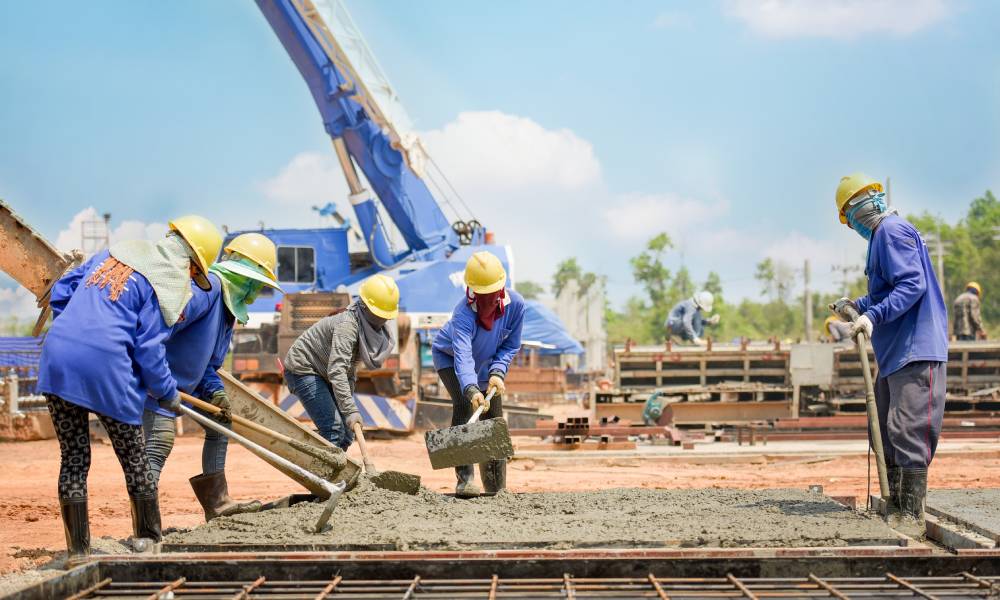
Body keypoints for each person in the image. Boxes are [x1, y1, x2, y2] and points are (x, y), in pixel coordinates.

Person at [38, 215, 222, 557]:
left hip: (57, 356)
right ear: (189, 262)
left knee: (74, 458)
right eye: (194, 274)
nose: (190, 280)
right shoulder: (156, 283)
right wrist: (167, 393)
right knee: (135, 458)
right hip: (106, 368)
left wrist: (79, 330)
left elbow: (62, 292)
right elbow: (149, 350)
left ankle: (77, 552)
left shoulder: (109, 255)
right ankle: (149, 540)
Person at [833, 173, 948, 534]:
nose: (852, 225)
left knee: (906, 428)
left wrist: (872, 315)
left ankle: (910, 514)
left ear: (856, 210)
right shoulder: (882, 239)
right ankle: (896, 505)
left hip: (915, 347)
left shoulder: (892, 231)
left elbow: (913, 284)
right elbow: (887, 291)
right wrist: (859, 305)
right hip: (895, 350)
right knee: (884, 429)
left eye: (849, 217)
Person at [142, 233, 281, 521]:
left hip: (183, 387)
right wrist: (160, 384)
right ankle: (145, 524)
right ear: (246, 277)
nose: (256, 294)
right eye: (256, 284)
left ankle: (218, 504)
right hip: (155, 383)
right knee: (159, 442)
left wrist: (215, 391)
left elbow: (207, 364)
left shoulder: (229, 311)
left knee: (220, 422)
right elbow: (159, 332)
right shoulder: (207, 290)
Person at [432, 251, 525, 497]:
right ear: (472, 290)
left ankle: (496, 487)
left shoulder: (516, 306)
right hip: (450, 360)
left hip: (487, 365)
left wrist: (497, 371)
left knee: (494, 418)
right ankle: (465, 480)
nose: (488, 299)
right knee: (464, 406)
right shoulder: (463, 313)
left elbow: (511, 345)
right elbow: (462, 354)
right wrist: (472, 388)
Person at [283, 274, 398, 450]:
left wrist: (348, 410)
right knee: (333, 429)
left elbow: (349, 371)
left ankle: (336, 474)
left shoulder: (367, 330)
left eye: (385, 316)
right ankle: (321, 476)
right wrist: (351, 411)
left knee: (347, 434)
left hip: (325, 371)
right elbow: (337, 370)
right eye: (378, 314)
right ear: (365, 307)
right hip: (304, 369)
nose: (382, 320)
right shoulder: (348, 325)